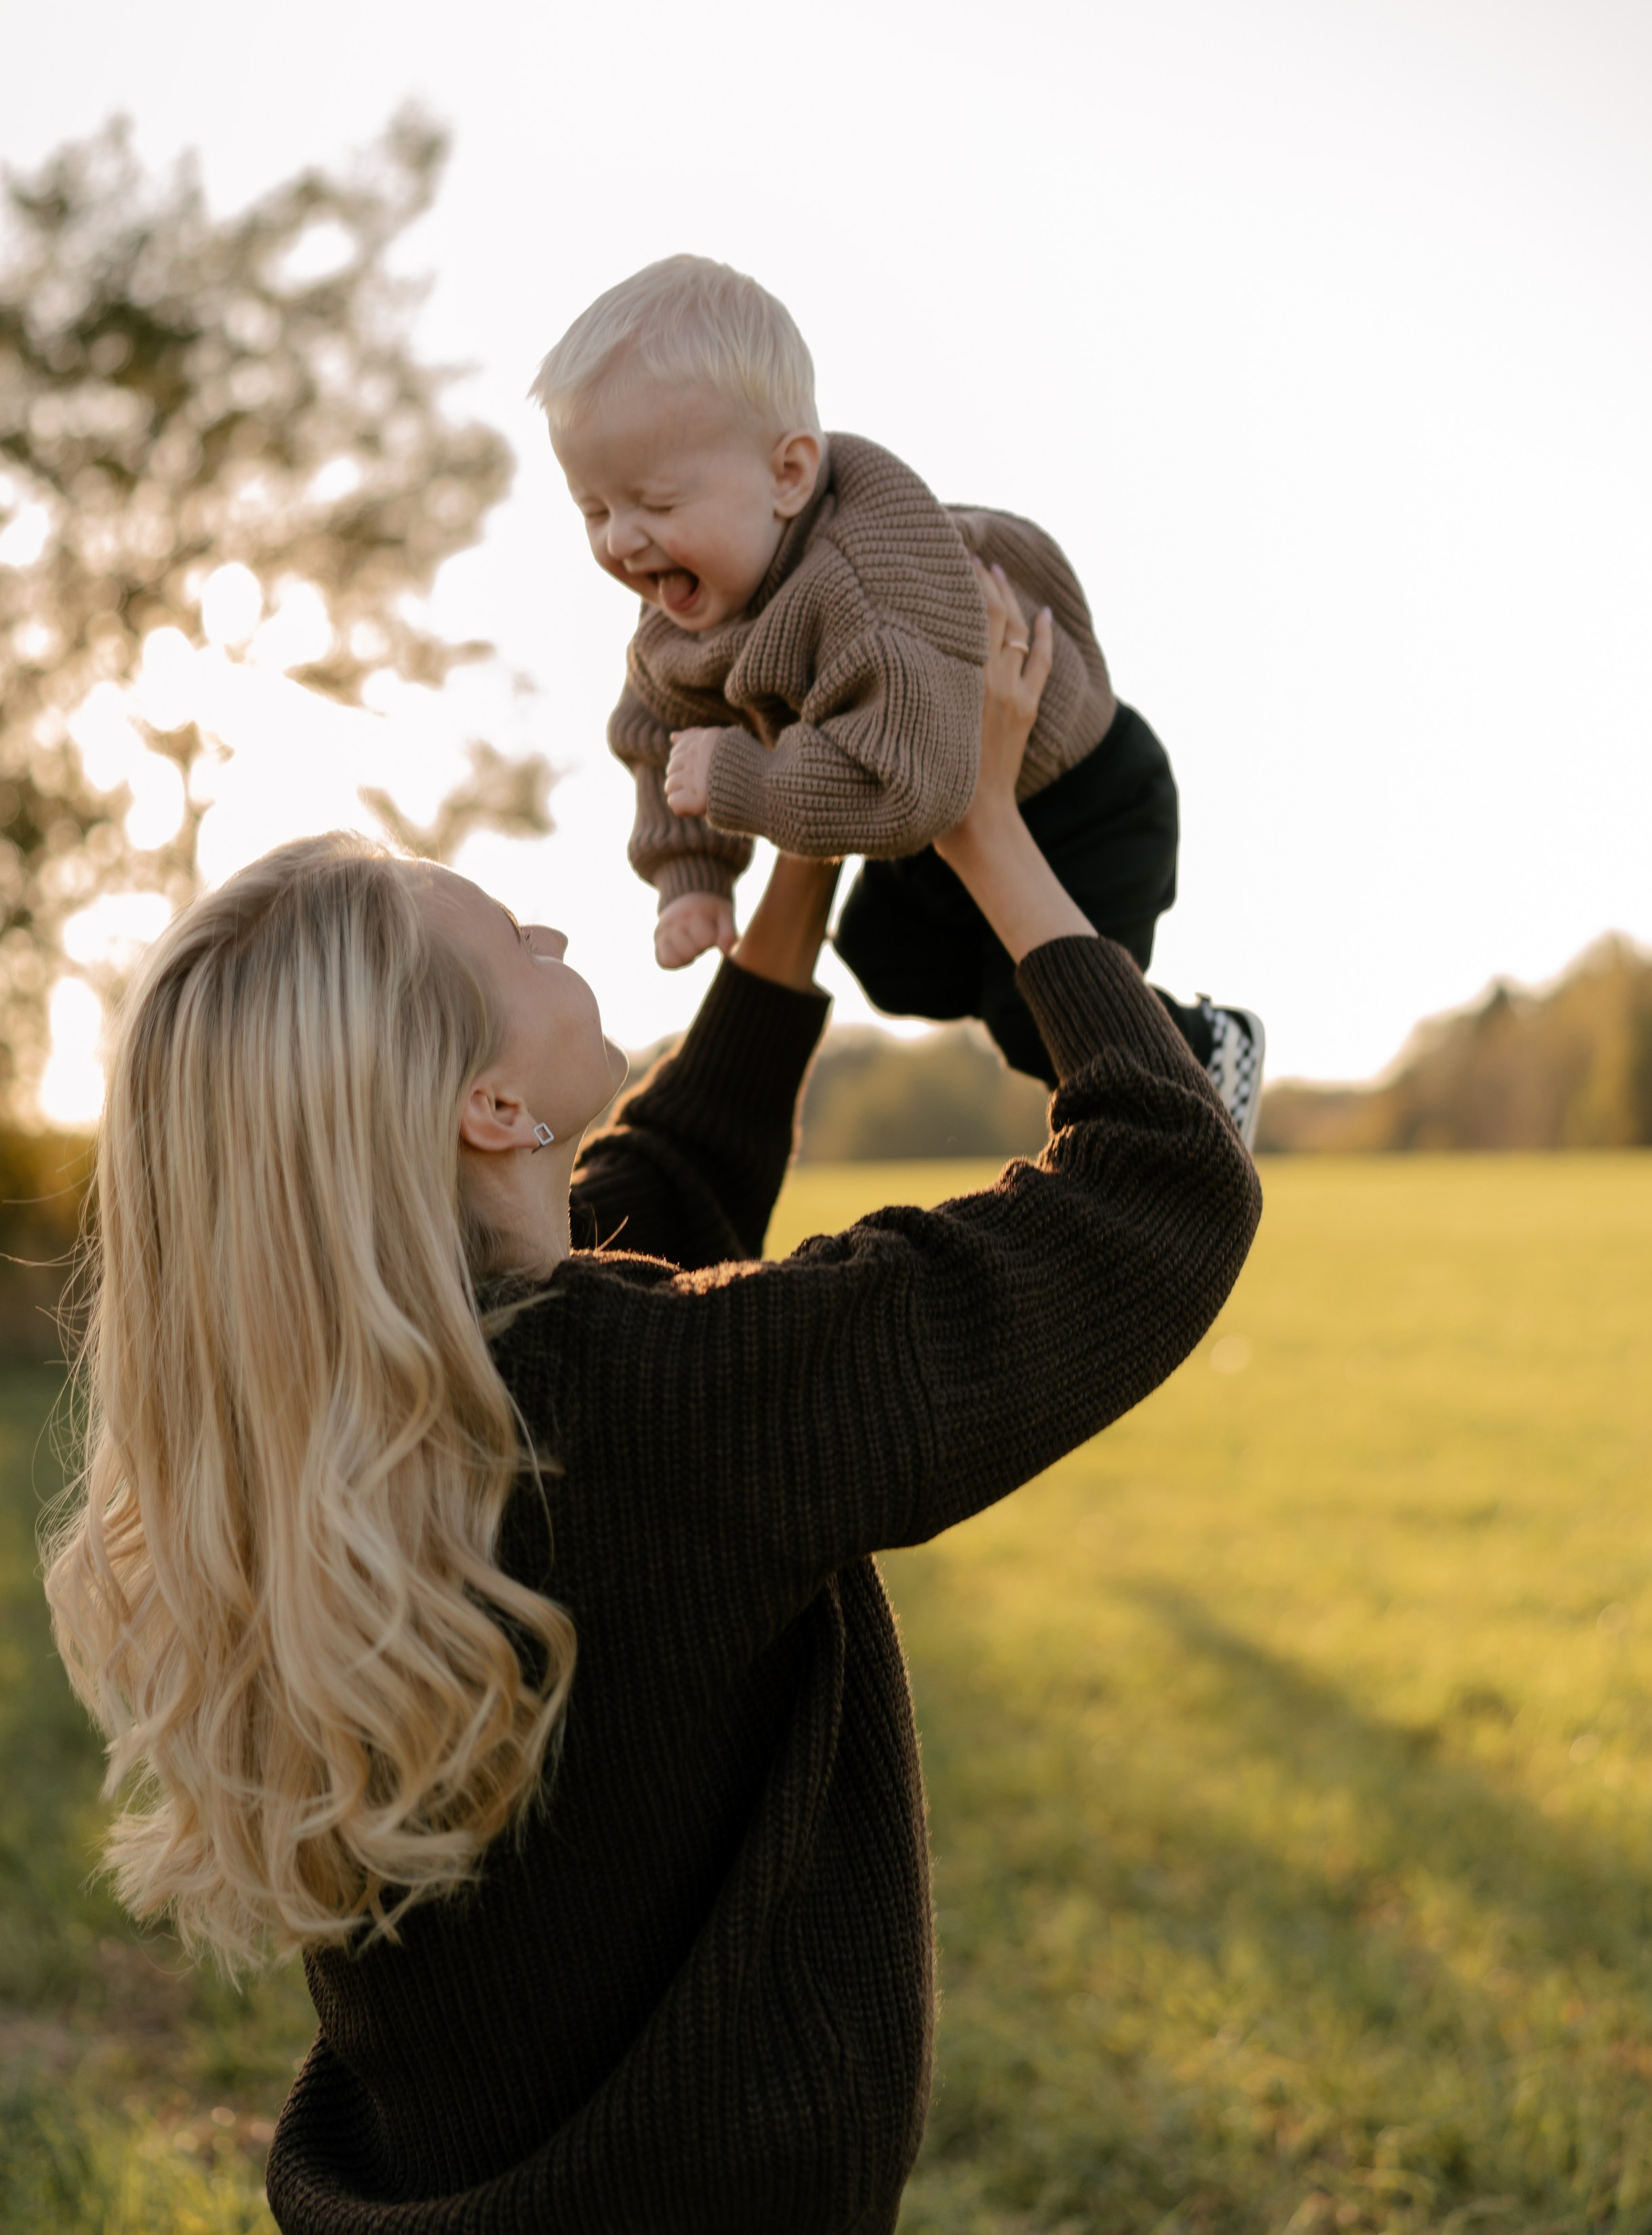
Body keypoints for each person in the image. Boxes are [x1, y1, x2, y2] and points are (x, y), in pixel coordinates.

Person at [43, 575, 1262, 2235]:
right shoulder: (641, 1409)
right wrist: (980, 823)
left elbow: (656, 1200)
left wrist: (810, 858)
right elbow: (1159, 1187)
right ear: (485, 1101)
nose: (554, 933)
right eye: (515, 939)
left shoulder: (365, 1419)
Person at [534, 251, 1266, 1144]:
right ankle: (1007, 966)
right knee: (886, 960)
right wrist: (692, 876)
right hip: (909, 796)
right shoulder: (684, 610)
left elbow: (916, 785)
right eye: (593, 511)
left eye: (653, 501)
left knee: (1031, 1017)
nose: (623, 541)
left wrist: (751, 783)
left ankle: (1205, 1048)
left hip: (1084, 795)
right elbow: (665, 730)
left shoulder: (871, 588)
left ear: (789, 476)